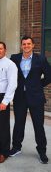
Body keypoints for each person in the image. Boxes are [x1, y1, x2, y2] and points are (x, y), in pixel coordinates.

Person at [10, 36, 51, 164]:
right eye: (24, 44)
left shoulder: (41, 59)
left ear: (33, 45)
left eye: (28, 44)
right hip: (20, 97)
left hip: (36, 97)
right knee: (18, 124)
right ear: (21, 45)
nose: (26, 46)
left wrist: (38, 85)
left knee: (38, 125)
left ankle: (42, 151)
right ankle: (16, 147)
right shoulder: (14, 58)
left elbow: (49, 76)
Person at [0, 42, 18, 163]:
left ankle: (4, 152)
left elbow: (12, 84)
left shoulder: (10, 65)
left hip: (2, 98)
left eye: (1, 49)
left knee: (3, 126)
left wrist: (5, 101)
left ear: (5, 50)